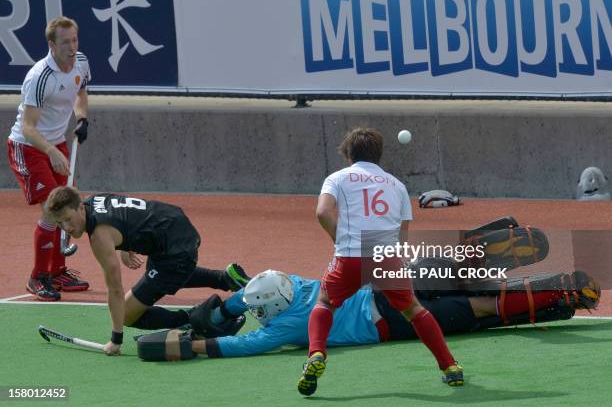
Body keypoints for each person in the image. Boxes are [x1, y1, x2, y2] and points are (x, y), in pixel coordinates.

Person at [298, 127, 462, 396]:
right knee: (414, 310)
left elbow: (322, 212)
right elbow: (403, 234)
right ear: (379, 155)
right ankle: (450, 367)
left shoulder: (336, 178)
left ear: (349, 155)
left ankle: (316, 354)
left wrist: (340, 240)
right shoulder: (397, 185)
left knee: (325, 302)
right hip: (387, 257)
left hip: (350, 255)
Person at [134, 267, 600, 360]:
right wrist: (222, 306)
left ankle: (550, 297)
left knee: (476, 310)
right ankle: (520, 280)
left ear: (269, 309)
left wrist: (195, 344)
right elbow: (245, 295)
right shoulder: (295, 282)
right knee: (464, 284)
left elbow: (240, 344)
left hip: (387, 323)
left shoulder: (286, 327)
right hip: (385, 284)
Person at [44, 186, 251, 356]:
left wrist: (116, 339)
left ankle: (194, 320)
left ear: (80, 208)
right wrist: (125, 246)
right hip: (171, 224)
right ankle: (227, 279)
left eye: (68, 219)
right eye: (60, 223)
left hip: (174, 247)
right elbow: (128, 215)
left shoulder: (99, 237)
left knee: (127, 314)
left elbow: (115, 288)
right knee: (168, 275)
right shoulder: (93, 200)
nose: (66, 227)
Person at [7, 16, 91, 301]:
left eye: (74, 40)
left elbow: (81, 91)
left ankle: (57, 271)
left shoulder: (80, 62)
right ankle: (38, 276)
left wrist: (82, 118)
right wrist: (52, 151)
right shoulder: (40, 77)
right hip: (28, 146)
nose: (71, 46)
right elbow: (28, 128)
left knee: (67, 205)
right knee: (52, 210)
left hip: (55, 142)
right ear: (52, 44)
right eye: (65, 42)